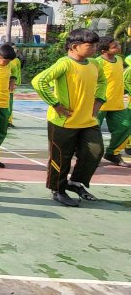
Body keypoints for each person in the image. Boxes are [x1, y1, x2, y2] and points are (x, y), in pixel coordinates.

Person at [31, 28, 106, 206]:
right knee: (60, 158)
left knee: (95, 151)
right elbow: (39, 81)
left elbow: (103, 81)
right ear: (74, 46)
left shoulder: (95, 64)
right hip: (63, 122)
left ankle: (74, 182)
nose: (95, 48)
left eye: (96, 45)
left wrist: (99, 99)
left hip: (88, 120)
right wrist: (55, 104)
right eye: (90, 46)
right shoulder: (64, 64)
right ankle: (58, 189)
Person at [92, 37, 129, 166]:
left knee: (125, 126)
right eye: (114, 46)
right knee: (92, 132)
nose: (118, 47)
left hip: (117, 103)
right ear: (104, 50)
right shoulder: (97, 62)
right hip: (99, 104)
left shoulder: (119, 60)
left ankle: (113, 153)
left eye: (117, 44)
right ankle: (89, 156)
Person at [7, 44, 23, 128]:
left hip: (10, 86)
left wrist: (15, 82)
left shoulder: (16, 60)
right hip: (1, 86)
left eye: (15, 49)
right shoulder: (3, 60)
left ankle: (8, 121)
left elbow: (17, 72)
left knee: (9, 104)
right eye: (13, 49)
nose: (15, 50)